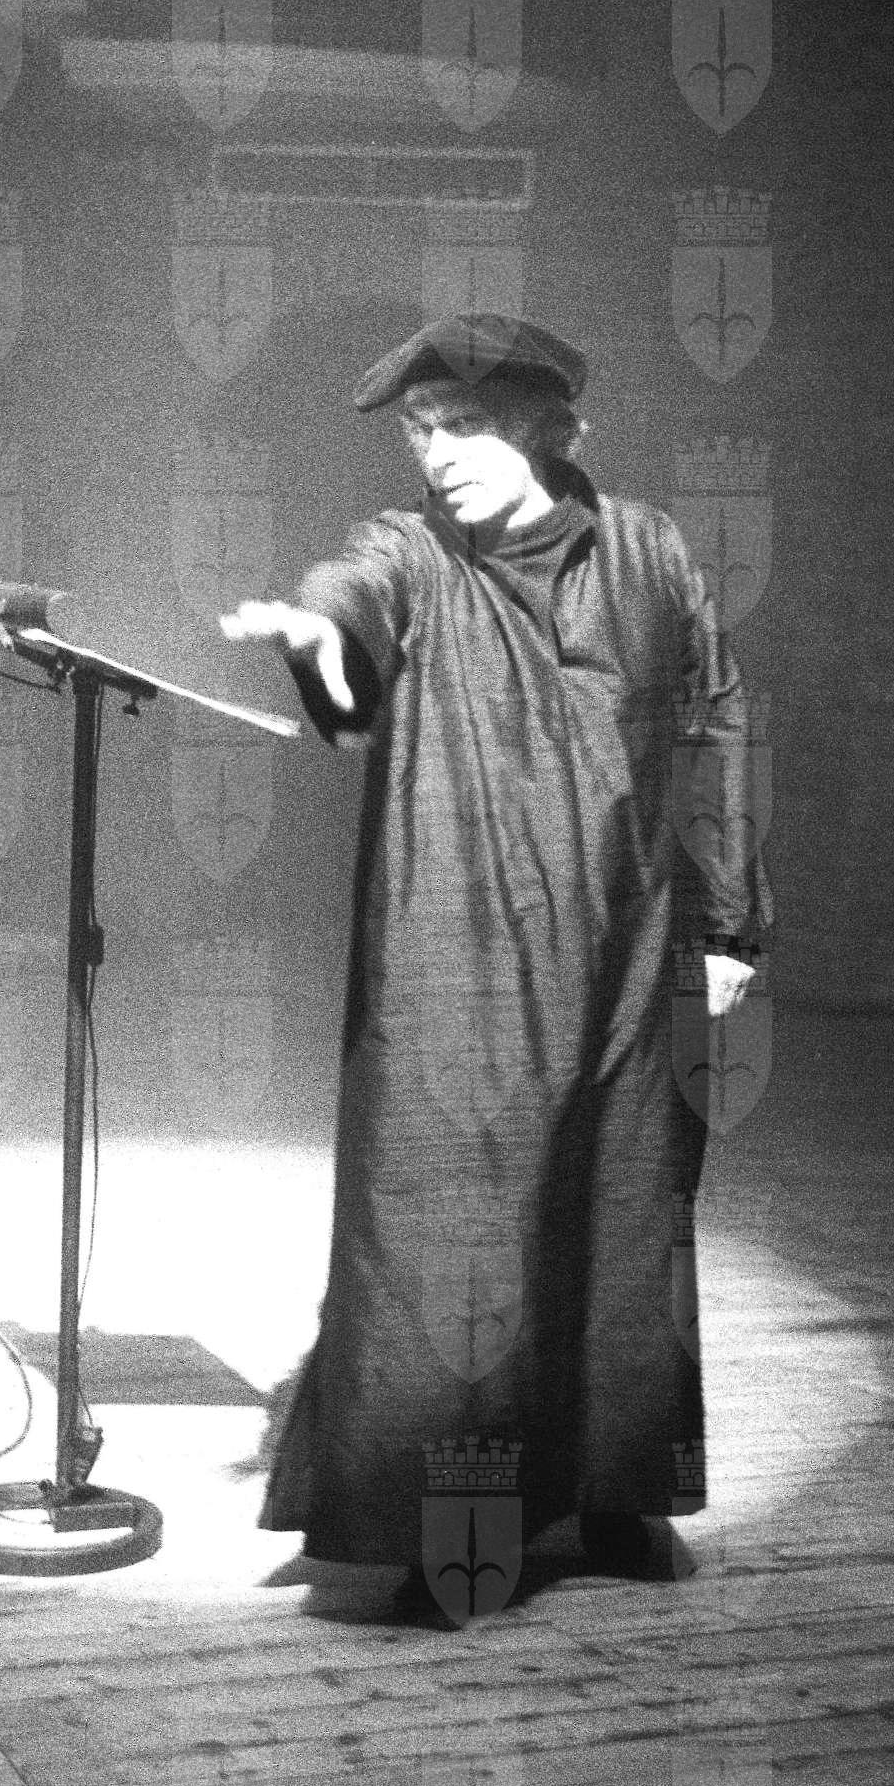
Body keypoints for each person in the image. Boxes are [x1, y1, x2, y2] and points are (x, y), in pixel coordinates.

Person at [221, 312, 771, 1605]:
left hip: (627, 950)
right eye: (422, 431)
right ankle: (432, 1523)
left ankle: (619, 1496)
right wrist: (319, 632)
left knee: (625, 1221)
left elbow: (715, 721)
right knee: (447, 1224)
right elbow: (352, 587)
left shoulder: (648, 550)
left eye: (464, 425)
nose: (439, 454)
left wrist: (729, 922)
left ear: (548, 428)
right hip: (456, 953)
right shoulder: (411, 553)